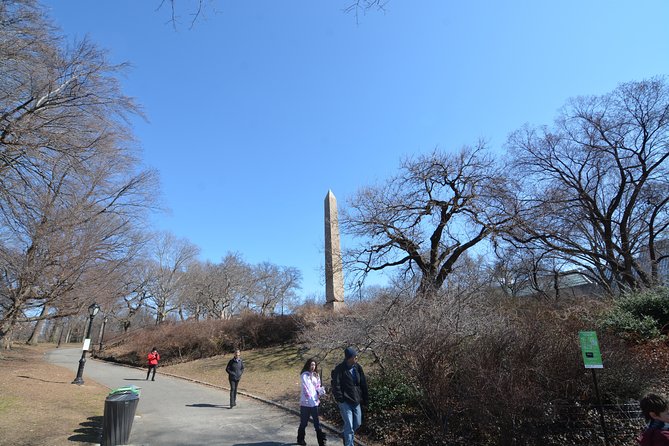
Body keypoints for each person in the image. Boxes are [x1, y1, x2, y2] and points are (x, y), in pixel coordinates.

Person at [331, 347, 368, 446]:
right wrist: (340, 399)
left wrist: (365, 398)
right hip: (345, 401)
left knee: (358, 423)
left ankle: (345, 434)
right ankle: (349, 444)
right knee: (350, 425)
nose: (356, 357)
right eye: (354, 356)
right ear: (349, 357)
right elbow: (336, 385)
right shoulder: (340, 369)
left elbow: (363, 383)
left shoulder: (358, 367)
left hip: (356, 400)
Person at [297, 358, 327, 446]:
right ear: (308, 365)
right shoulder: (304, 375)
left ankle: (321, 441)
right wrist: (310, 397)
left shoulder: (316, 376)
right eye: (311, 365)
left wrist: (321, 391)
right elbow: (306, 388)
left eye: (314, 365)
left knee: (317, 423)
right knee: (304, 422)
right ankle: (300, 439)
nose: (313, 367)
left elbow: (317, 387)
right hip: (305, 403)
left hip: (314, 403)